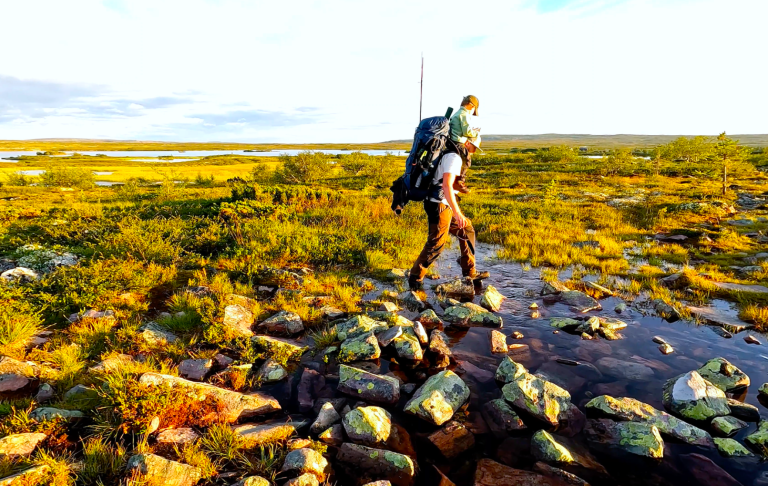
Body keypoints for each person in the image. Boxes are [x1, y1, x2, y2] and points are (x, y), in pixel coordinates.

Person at [408, 135, 489, 290]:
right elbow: (446, 185)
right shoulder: (454, 158)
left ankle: (469, 271)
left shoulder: (449, 154)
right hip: (439, 205)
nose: (473, 152)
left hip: (441, 203)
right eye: (473, 148)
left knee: (466, 229)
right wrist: (458, 213)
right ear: (466, 143)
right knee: (436, 243)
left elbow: (446, 183)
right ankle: (415, 279)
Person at [448, 95, 480, 194]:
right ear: (470, 105)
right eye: (473, 109)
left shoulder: (457, 113)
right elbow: (466, 132)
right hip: (458, 142)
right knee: (467, 160)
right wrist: (476, 132)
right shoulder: (464, 114)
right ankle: (459, 182)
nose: (472, 111)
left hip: (451, 142)